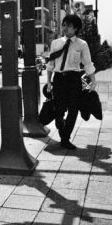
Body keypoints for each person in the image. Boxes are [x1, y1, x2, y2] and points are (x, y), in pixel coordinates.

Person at [46, 14, 96, 150]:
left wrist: (93, 81)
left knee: (73, 110)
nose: (65, 28)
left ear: (76, 28)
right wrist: (49, 82)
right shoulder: (56, 43)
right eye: (64, 24)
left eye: (68, 25)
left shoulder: (82, 44)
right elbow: (51, 64)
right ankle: (61, 128)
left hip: (74, 79)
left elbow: (87, 64)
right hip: (59, 79)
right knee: (59, 110)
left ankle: (65, 138)